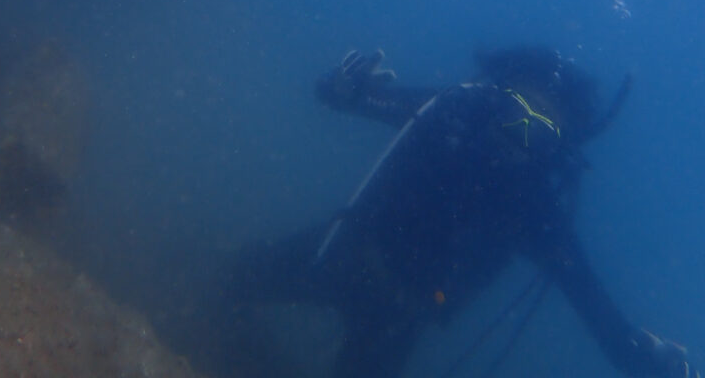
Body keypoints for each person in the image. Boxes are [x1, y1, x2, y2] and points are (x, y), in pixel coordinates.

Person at [224, 46, 699, 378]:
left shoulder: (538, 210)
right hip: (340, 255)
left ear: (561, 145)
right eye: (517, 110)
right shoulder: (449, 112)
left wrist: (653, 360)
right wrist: (343, 84)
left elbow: (599, 314)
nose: (520, 137)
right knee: (233, 281)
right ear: (496, 95)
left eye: (542, 132)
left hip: (395, 319)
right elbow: (342, 97)